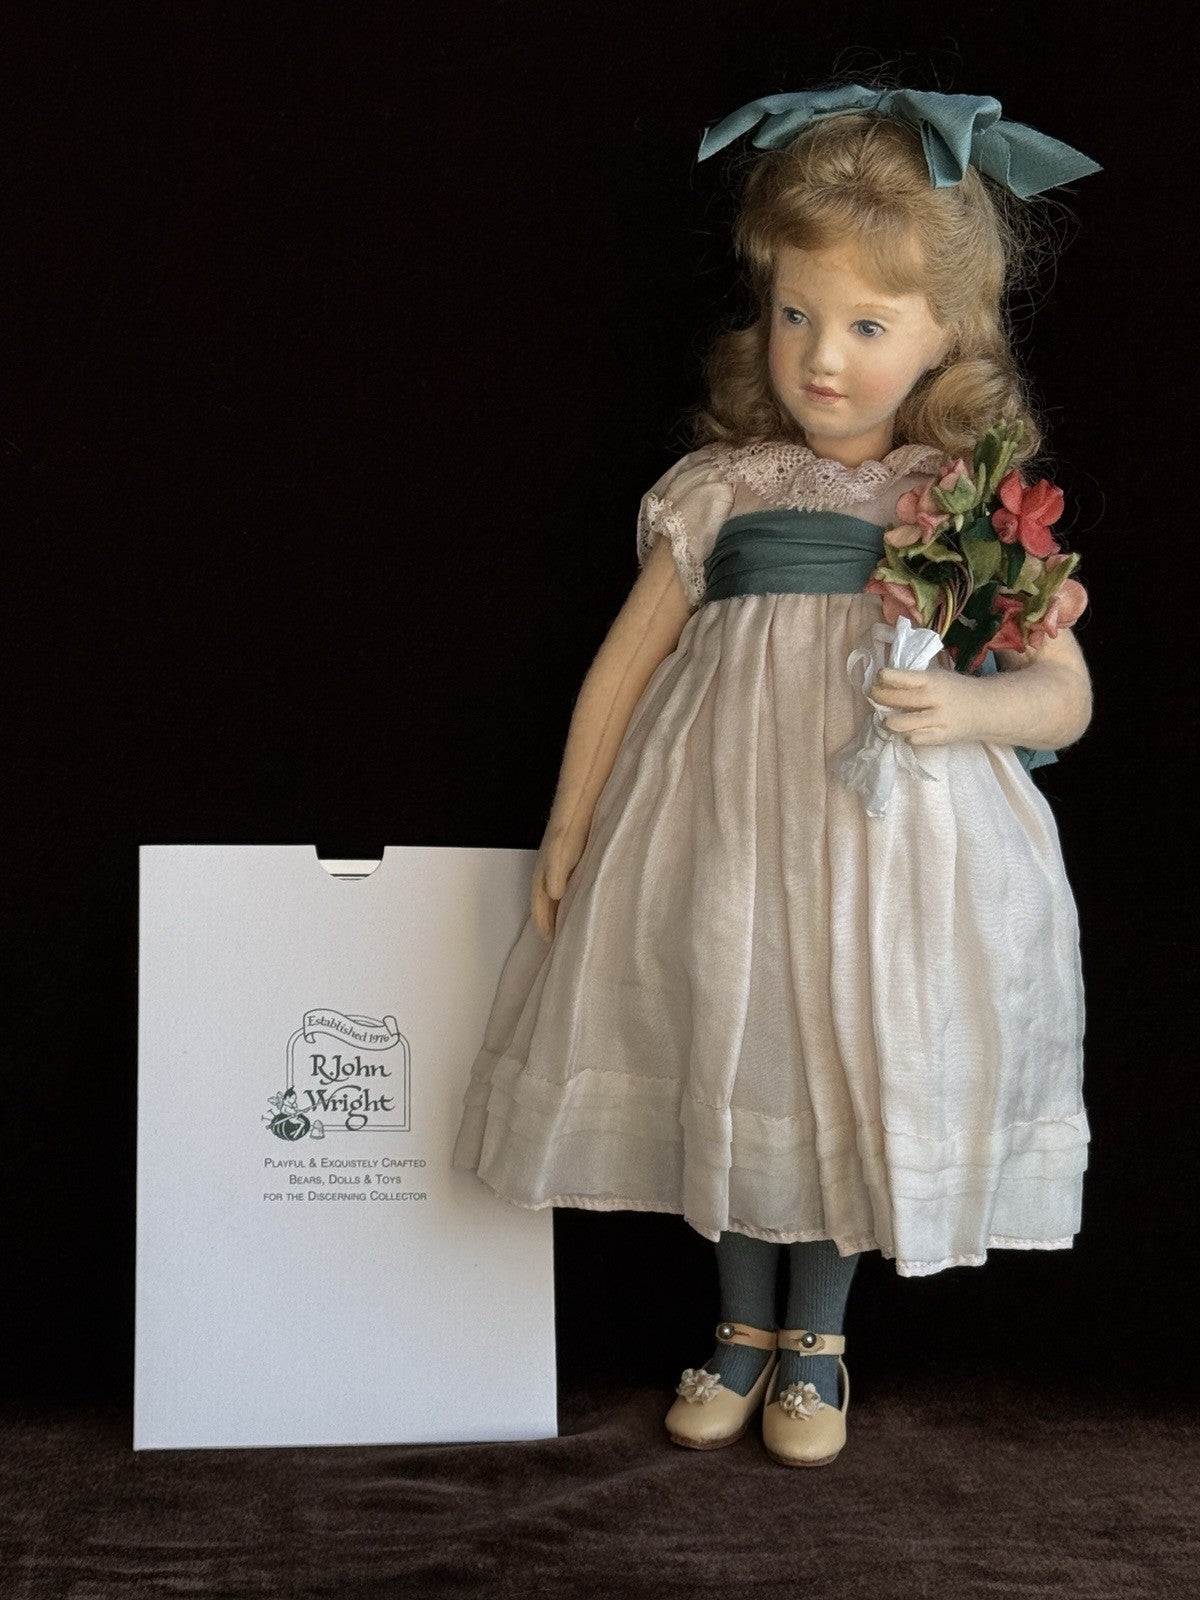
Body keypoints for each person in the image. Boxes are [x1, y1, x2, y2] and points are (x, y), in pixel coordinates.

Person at [452, 83, 1099, 1467]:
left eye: (868, 326)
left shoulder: (960, 501)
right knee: (731, 1041)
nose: (822, 357)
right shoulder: (725, 486)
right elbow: (624, 665)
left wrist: (971, 704)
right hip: (725, 825)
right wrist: (570, 820)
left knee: (854, 1053)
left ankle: (819, 1342)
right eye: (797, 314)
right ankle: (739, 1327)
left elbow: (1067, 694)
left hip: (890, 845)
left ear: (944, 336)